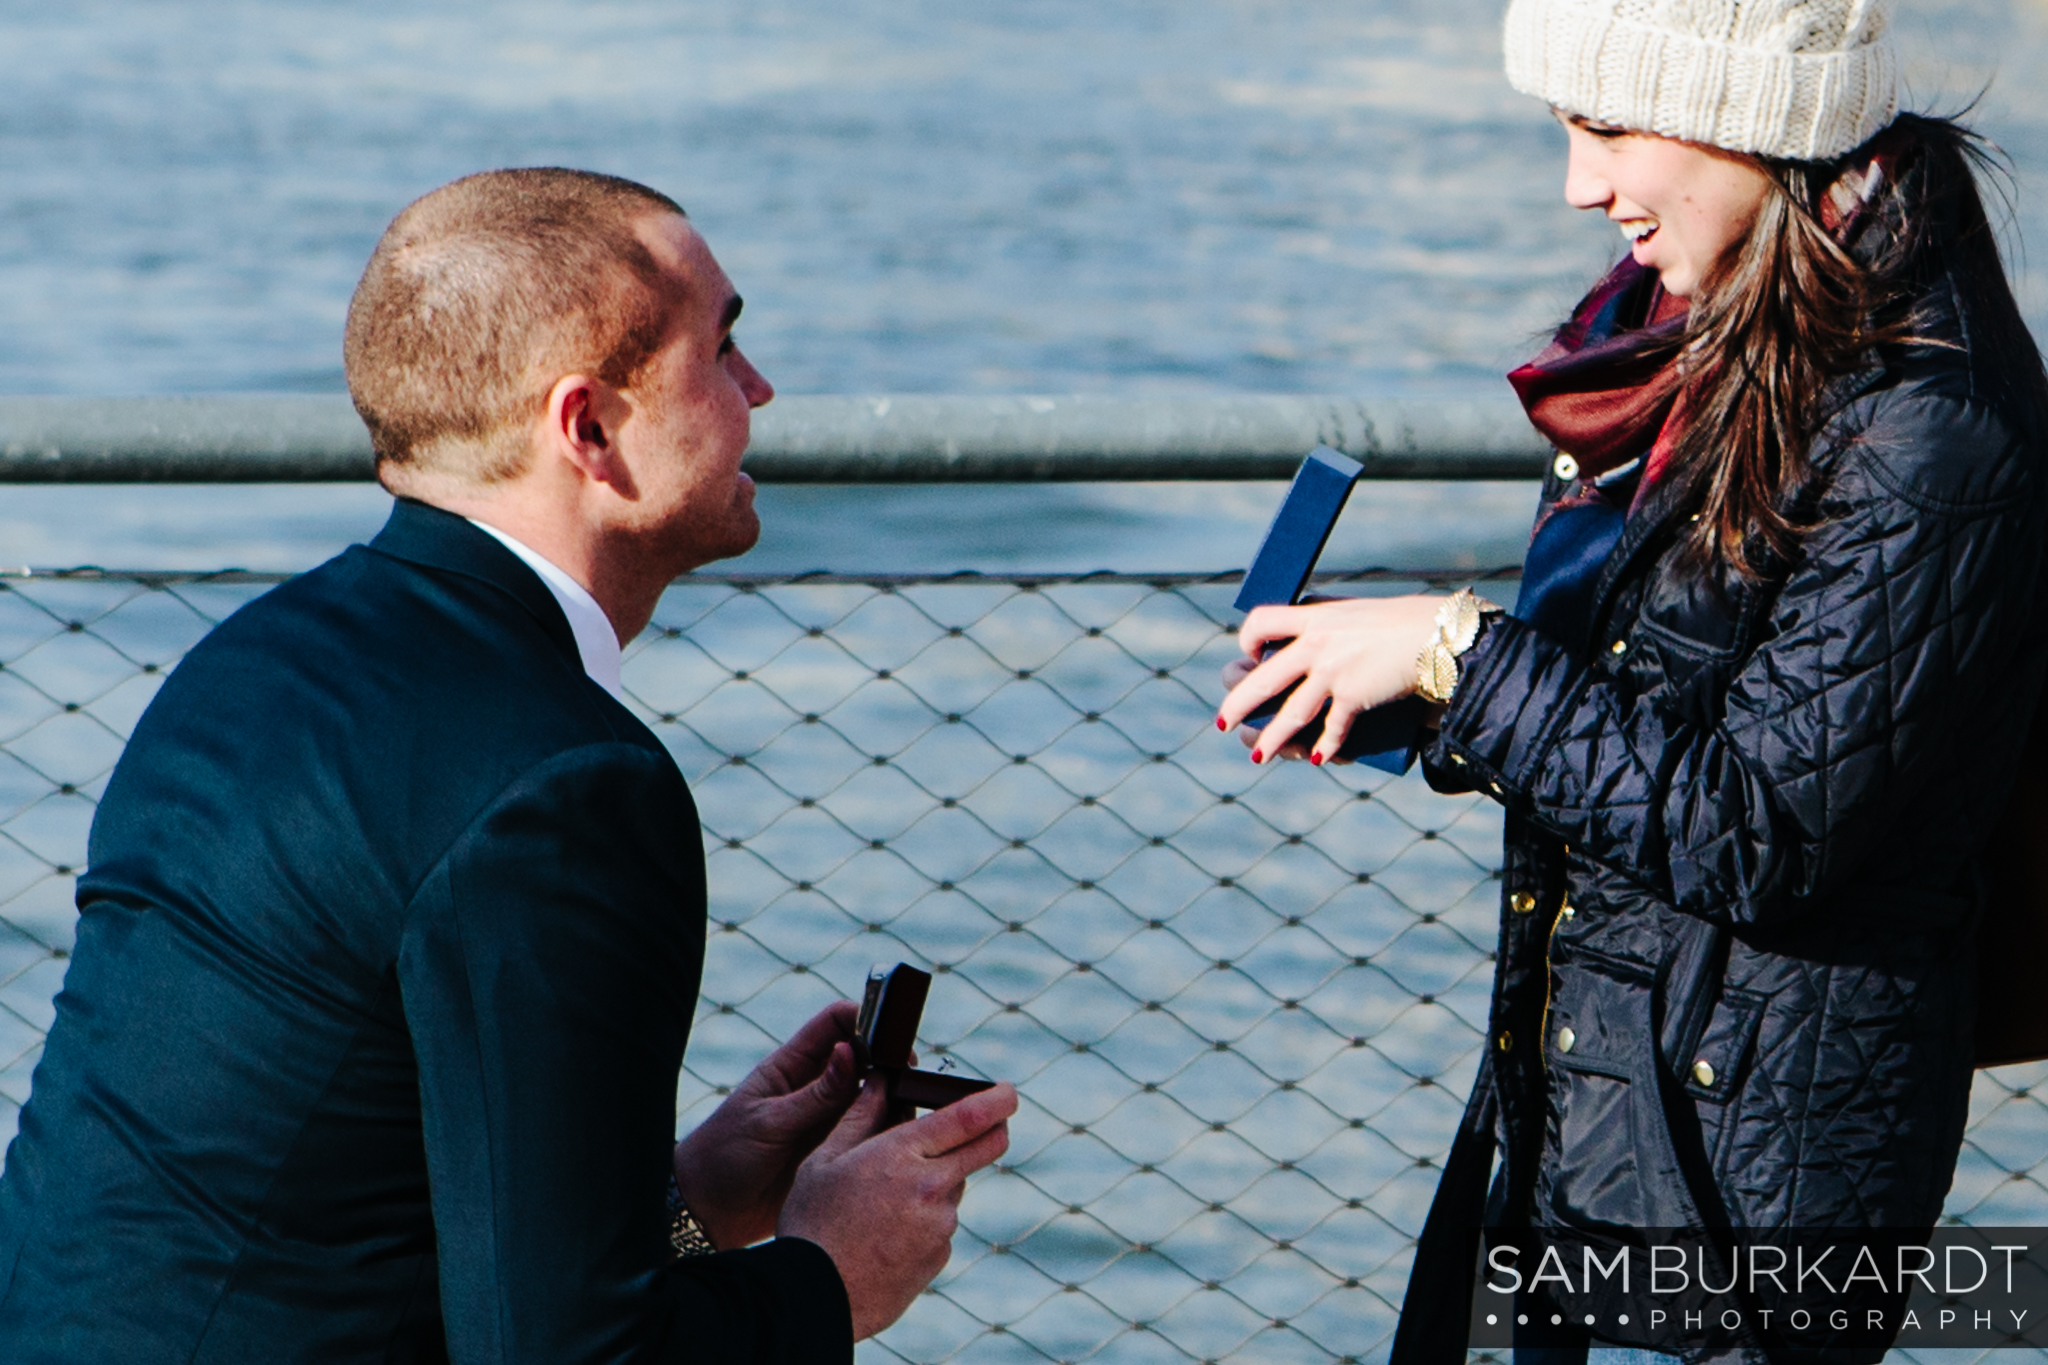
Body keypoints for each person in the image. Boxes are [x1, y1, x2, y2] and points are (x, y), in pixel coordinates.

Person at [0, 168, 1016, 1363]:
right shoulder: (567, 784)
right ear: (587, 428)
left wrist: (693, 1200)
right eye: (722, 347)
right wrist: (832, 1277)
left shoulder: (253, 662)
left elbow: (324, 1216)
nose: (760, 388)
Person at [1216, 0, 2048, 1360]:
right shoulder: (1713, 339)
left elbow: (1761, 830)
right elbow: (1657, 695)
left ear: (1751, 122)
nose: (1579, 184)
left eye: (1607, 127)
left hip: (1750, 1204)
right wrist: (1402, 686)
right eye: (1563, 126)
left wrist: (1463, 653)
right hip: (1611, 1121)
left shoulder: (1925, 426)